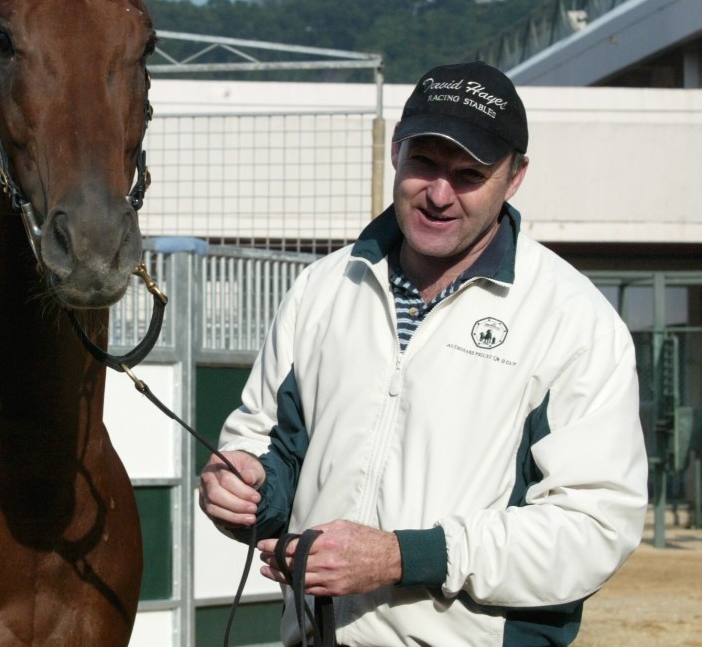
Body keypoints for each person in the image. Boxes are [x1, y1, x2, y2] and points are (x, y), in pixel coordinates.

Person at [198, 61, 648, 646]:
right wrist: (246, 487)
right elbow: (269, 445)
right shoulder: (323, 288)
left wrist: (404, 557)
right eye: (425, 164)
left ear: (515, 178)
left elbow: (593, 528)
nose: (439, 194)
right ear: (395, 150)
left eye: (469, 174)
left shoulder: (575, 321)